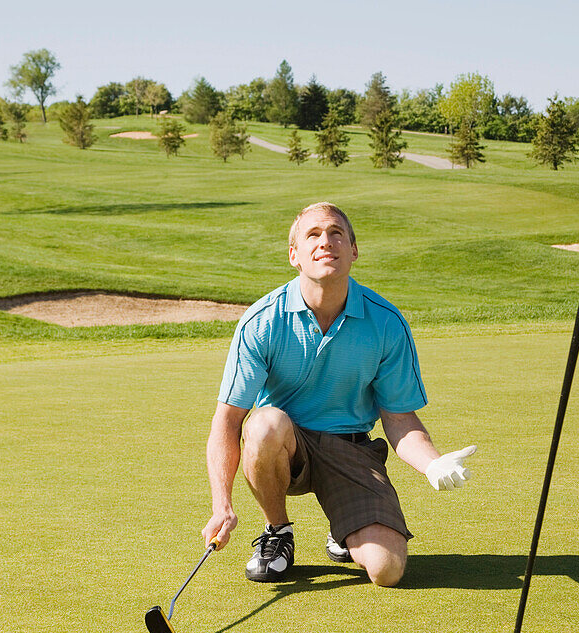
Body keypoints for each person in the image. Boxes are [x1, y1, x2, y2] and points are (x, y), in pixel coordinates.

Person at [200, 202, 476, 588]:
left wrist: (431, 464)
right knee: (264, 424)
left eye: (336, 234)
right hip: (286, 447)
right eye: (312, 235)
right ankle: (277, 533)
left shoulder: (386, 322)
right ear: (294, 255)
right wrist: (222, 504)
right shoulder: (262, 321)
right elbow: (228, 421)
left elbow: (399, 419)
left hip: (351, 450)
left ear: (353, 250)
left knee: (387, 570)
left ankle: (344, 529)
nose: (325, 242)